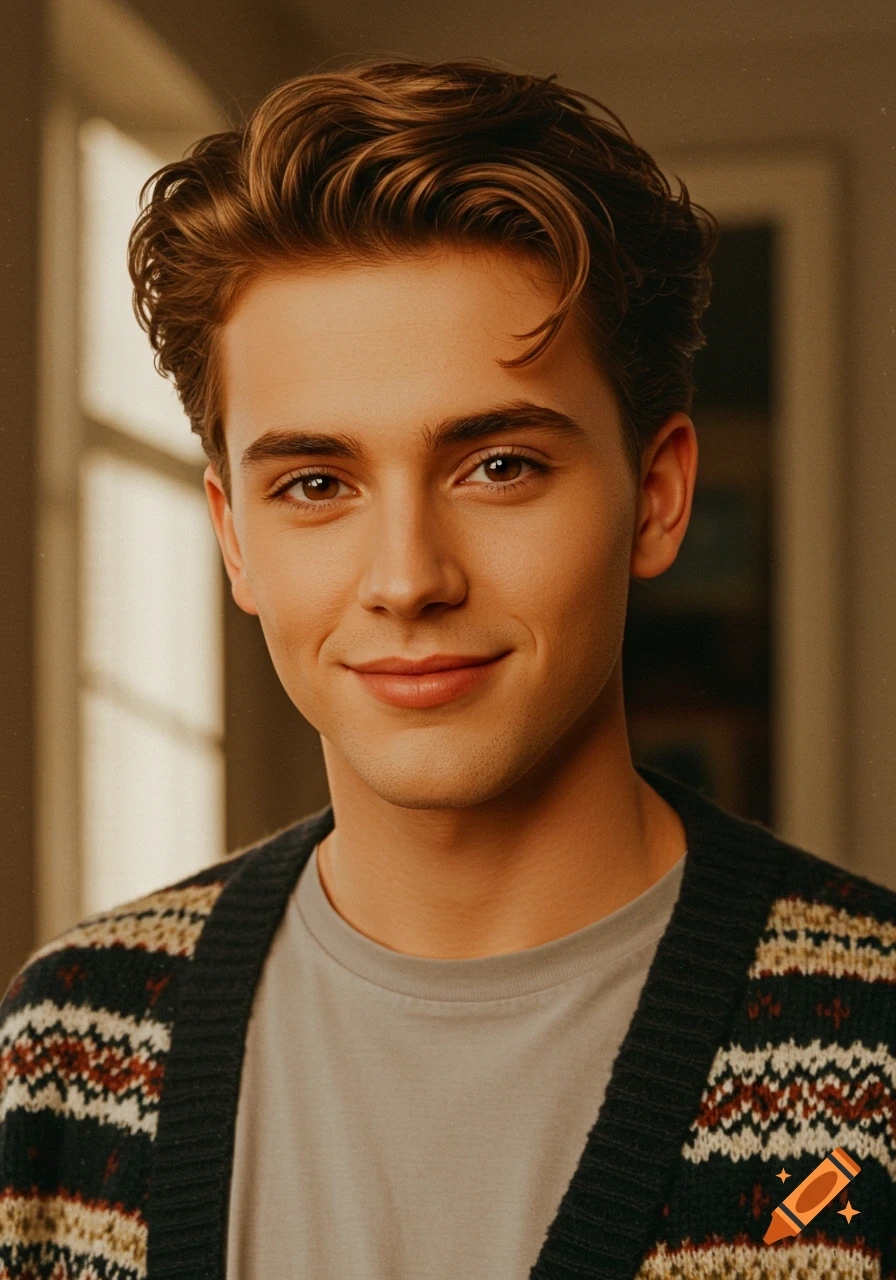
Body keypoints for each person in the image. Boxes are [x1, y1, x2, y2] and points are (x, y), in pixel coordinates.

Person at [1, 57, 894, 1280]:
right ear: (233, 537)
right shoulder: (71, 1045)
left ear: (655, 494)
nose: (408, 576)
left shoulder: (878, 1054)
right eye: (315, 484)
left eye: (499, 466)